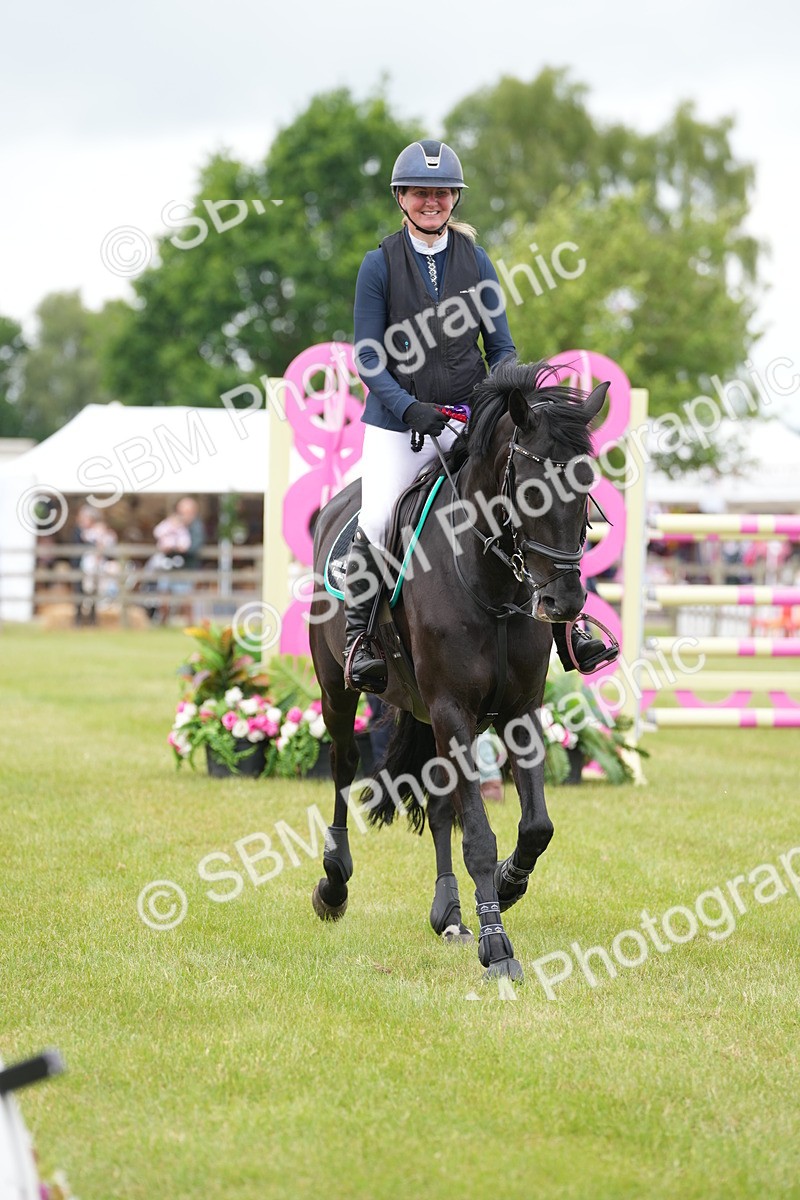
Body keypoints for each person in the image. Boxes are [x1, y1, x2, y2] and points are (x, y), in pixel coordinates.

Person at [344, 139, 614, 691]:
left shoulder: (478, 261)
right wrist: (407, 406)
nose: (432, 202)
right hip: (400, 424)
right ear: (402, 196)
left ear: (454, 200)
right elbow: (367, 356)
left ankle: (568, 631)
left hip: (471, 421)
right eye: (422, 193)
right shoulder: (379, 265)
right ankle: (361, 640)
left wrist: (505, 401)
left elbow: (503, 348)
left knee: (532, 501)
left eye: (442, 194)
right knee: (376, 518)